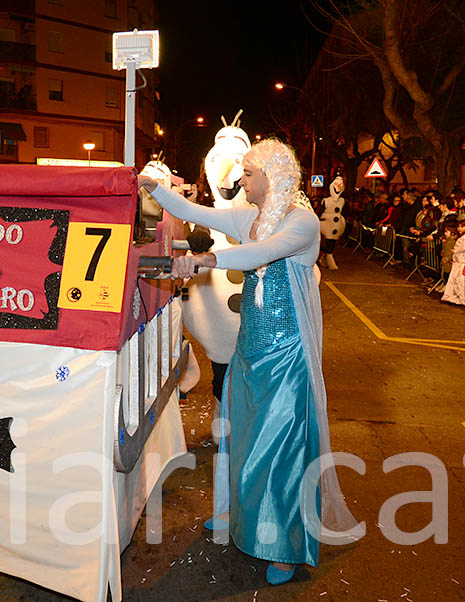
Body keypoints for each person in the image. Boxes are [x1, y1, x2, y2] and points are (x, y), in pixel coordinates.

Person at [139, 138, 358, 585]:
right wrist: (154, 189)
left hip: (287, 354)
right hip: (250, 349)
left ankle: (286, 546)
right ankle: (236, 512)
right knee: (237, 438)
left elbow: (259, 254)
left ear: (272, 177)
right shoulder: (252, 217)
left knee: (281, 450)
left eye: (251, 173)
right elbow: (202, 215)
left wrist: (204, 259)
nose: (243, 180)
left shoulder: (301, 224)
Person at [441, 218, 465, 305]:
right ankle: (456, 297)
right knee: (457, 279)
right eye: (458, 226)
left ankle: (461, 298)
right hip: (458, 260)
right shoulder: (463, 236)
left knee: (460, 280)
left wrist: (455, 251)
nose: (459, 228)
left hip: (462, 261)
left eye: (462, 227)